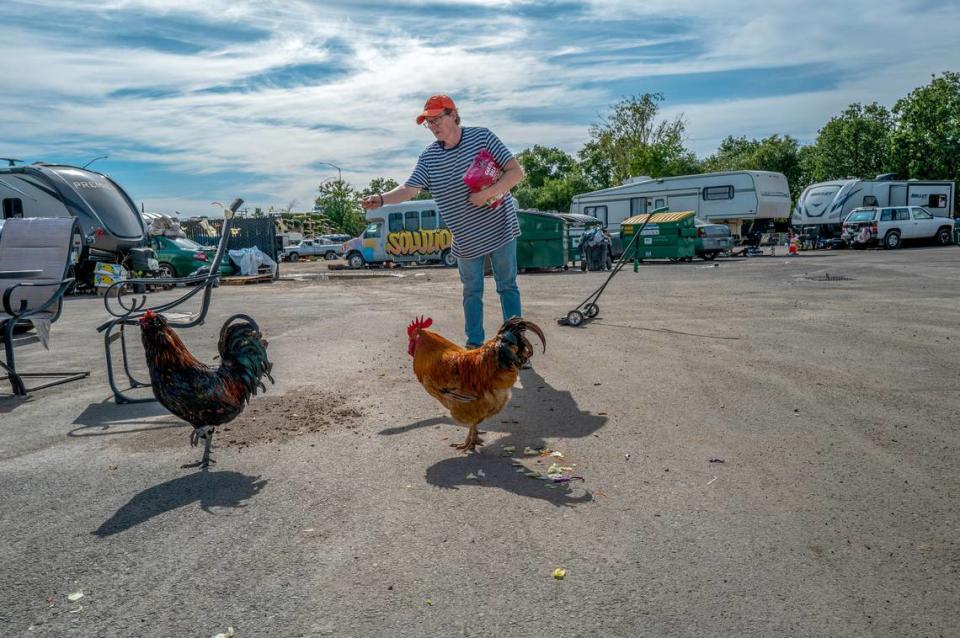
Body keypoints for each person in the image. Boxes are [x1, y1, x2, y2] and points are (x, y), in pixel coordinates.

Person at [361, 94, 526, 349]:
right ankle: (474, 348)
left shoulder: (483, 138)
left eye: (437, 118)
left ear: (453, 115)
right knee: (471, 293)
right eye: (429, 122)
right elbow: (409, 189)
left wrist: (485, 194)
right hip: (465, 238)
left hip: (499, 228)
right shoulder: (429, 158)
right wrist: (381, 199)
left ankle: (514, 346)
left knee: (507, 286)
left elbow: (516, 172)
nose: (434, 126)